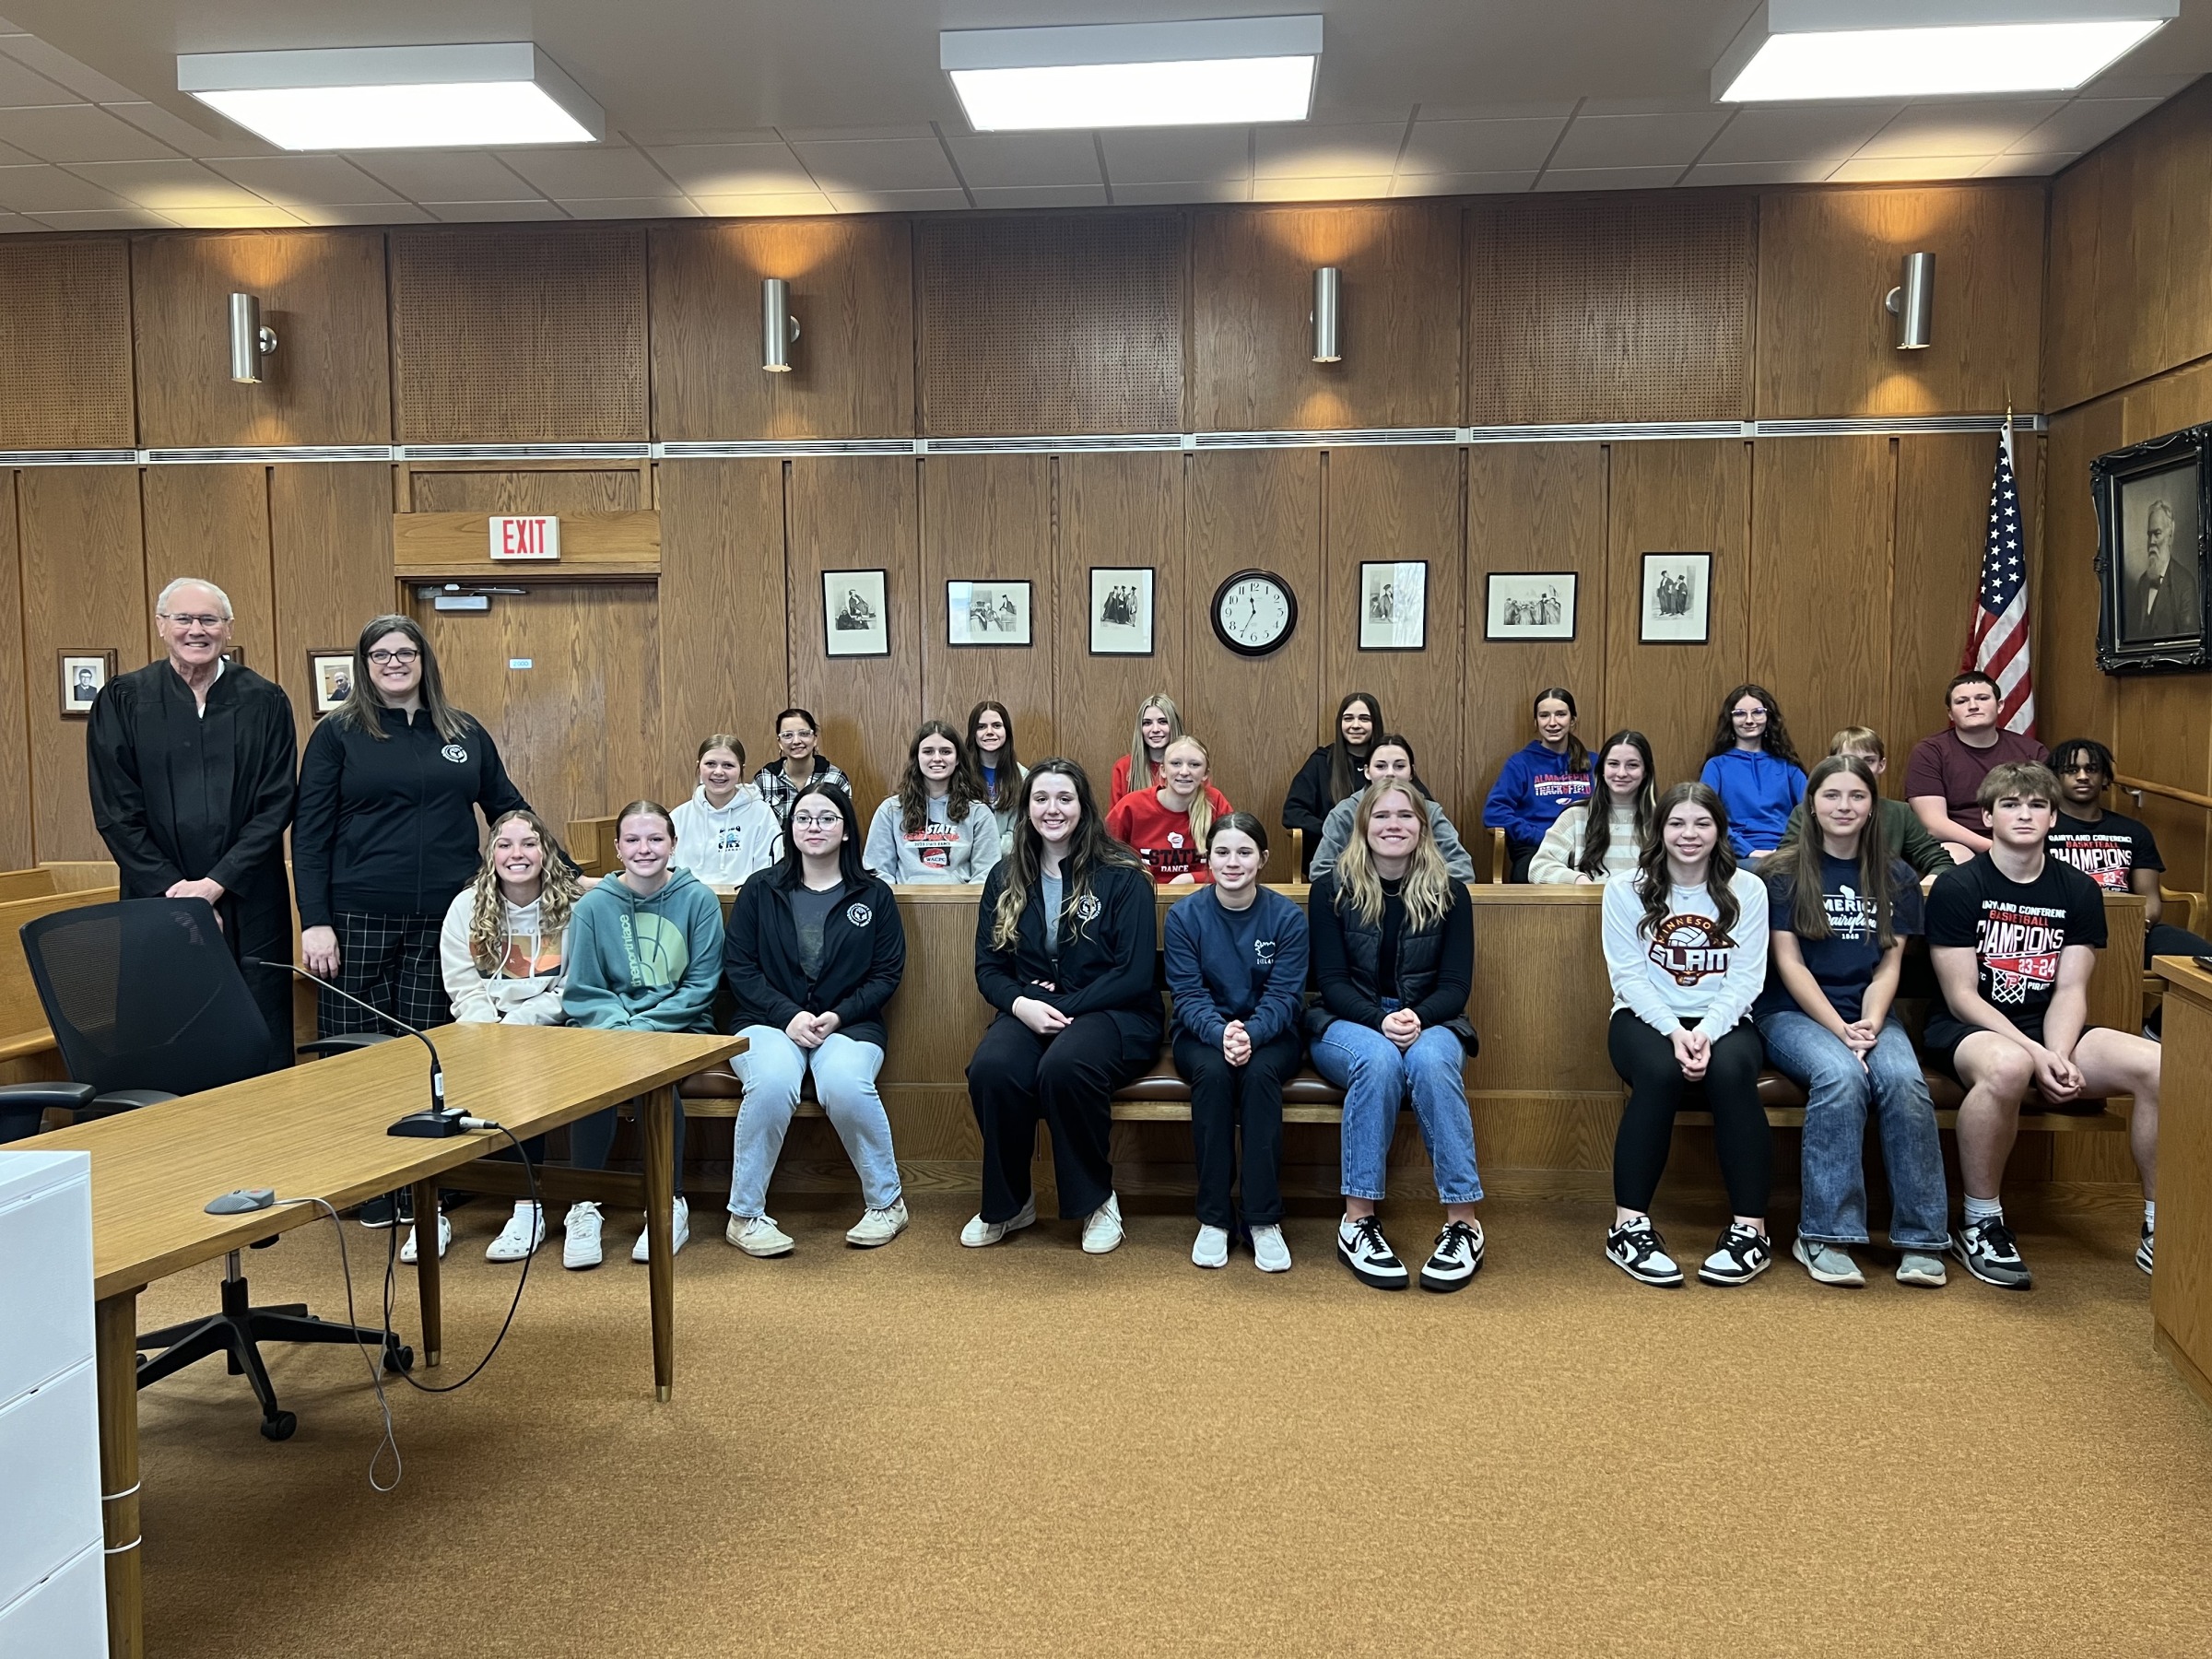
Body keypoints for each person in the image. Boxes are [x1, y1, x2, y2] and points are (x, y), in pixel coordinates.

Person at [294, 615, 543, 1228]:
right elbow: (310, 835)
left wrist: (560, 868)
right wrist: (315, 920)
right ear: (365, 664)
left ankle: (425, 1182)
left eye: (405, 652)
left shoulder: (461, 731)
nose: (394, 663)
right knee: (359, 1055)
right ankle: (365, 1183)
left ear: (423, 660)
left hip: (446, 917)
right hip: (357, 916)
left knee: (427, 1051)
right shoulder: (338, 735)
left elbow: (508, 809)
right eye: (381, 654)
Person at [1925, 762, 2161, 1288]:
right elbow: (1962, 997)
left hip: (2054, 1027)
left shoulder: (2077, 889)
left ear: (2054, 817)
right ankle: (1981, 1222)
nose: (2025, 814)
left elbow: (2071, 989)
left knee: (2162, 1065)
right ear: (1987, 816)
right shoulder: (1959, 886)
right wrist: (2035, 1055)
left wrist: (2056, 1053)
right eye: (2010, 804)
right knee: (2008, 1066)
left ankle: (2159, 1224)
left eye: (2036, 805)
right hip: (1971, 1029)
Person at [86, 577, 297, 1074]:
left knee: (256, 1028)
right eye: (184, 618)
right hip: (156, 897)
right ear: (161, 626)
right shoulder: (123, 699)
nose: (196, 630)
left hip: (248, 896)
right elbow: (116, 810)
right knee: (160, 1024)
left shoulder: (264, 701)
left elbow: (276, 802)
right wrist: (177, 890)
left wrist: (216, 884)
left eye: (209, 620)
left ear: (227, 629)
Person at [1754, 758, 1949, 1288]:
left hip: (1868, 1013)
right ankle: (1823, 1233)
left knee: (1905, 1081)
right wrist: (1841, 1034)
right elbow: (1789, 965)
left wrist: (1868, 1023)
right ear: (1812, 805)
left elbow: (1890, 963)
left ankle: (1922, 1236)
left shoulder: (1897, 876)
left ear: (1872, 806)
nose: (1844, 806)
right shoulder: (1780, 872)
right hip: (1792, 1014)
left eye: (1857, 796)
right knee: (1841, 1077)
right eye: (1832, 796)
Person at [964, 760, 1160, 1254]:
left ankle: (1097, 1200)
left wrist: (1060, 1001)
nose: (1053, 809)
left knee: (1066, 1067)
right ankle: (1011, 1203)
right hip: (1033, 1009)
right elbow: (989, 968)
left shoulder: (1123, 873)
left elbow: (1134, 974)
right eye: (1041, 799)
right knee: (992, 1067)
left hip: (1118, 1013)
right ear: (1026, 809)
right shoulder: (1005, 875)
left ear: (1083, 806)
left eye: (1064, 799)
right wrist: (1023, 1005)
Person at [1308, 781, 1484, 1294]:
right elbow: (1332, 983)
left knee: (1431, 1064)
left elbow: (1456, 985)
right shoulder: (1331, 889)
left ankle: (1463, 1225)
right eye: (1381, 815)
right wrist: (1379, 1021)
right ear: (1363, 825)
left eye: (1405, 816)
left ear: (1422, 827)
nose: (1393, 825)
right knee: (1380, 1061)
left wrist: (1415, 1017)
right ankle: (1358, 1222)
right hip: (1347, 1021)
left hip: (1432, 1019)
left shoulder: (1451, 892)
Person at [723, 782, 910, 1257]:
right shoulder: (761, 890)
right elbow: (740, 968)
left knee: (845, 1084)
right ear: (791, 827)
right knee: (770, 1081)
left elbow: (887, 974)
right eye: (804, 818)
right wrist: (788, 1017)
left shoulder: (874, 894)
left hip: (849, 1022)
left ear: (846, 830)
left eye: (827, 818)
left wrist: (837, 1015)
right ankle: (744, 1216)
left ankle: (887, 1204)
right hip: (766, 1020)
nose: (814, 827)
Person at [1602, 782, 1772, 1289]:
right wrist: (1677, 1032)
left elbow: (1747, 979)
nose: (1689, 834)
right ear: (1659, 830)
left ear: (1719, 829)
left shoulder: (1748, 889)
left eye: (1702, 823)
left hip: (1724, 1018)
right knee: (1658, 1074)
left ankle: (1751, 1231)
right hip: (1644, 1017)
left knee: (1732, 1071)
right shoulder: (1625, 888)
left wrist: (1708, 1031)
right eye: (1677, 823)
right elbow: (1628, 978)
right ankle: (1627, 1226)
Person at [558, 801, 724, 1270]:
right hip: (608, 1029)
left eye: (655, 839)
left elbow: (701, 986)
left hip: (678, 1025)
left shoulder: (698, 901)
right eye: (632, 840)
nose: (644, 849)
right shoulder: (592, 906)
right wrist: (619, 1029)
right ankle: (583, 1203)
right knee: (595, 1082)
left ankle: (667, 1202)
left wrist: (646, 1027)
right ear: (617, 848)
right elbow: (585, 989)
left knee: (656, 1078)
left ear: (673, 844)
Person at [433, 808, 583, 1265]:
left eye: (529, 844)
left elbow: (571, 987)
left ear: (547, 852)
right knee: (431, 1078)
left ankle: (526, 1206)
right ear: (491, 854)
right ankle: (431, 1208)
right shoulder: (466, 906)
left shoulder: (574, 906)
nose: (517, 854)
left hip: (547, 1026)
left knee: (524, 1070)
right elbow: (461, 983)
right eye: (505, 845)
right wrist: (487, 1027)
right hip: (481, 1025)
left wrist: (517, 1026)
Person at [1163, 814, 1310, 1273]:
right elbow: (1187, 994)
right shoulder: (1185, 915)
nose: (1232, 862)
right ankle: (1214, 1218)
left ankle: (1262, 1218)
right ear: (1207, 857)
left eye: (1244, 852)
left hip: (1271, 1034)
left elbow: (1286, 995)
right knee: (1212, 1074)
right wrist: (1221, 1032)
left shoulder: (1286, 916)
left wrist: (1251, 1033)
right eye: (1222, 852)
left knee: (1261, 1075)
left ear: (1263, 859)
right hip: (1202, 1033)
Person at [2045, 738, 2212, 998]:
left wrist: (2135, 926)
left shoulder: (2132, 831)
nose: (2082, 776)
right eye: (2070, 770)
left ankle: (2157, 1030)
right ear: (2055, 778)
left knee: (2203, 962)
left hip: (2129, 928)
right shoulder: (2041, 829)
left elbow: (2151, 900)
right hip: (2062, 931)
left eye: (2091, 769)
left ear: (2104, 778)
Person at [1905, 671, 2047, 863]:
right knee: (1953, 857)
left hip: (2022, 839)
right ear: (1950, 713)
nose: (1973, 706)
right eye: (1962, 701)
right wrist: (1994, 849)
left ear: (1999, 705)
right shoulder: (1930, 752)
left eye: (1982, 698)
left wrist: (2014, 846)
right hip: (1958, 843)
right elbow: (1934, 824)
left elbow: (2044, 810)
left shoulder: (2032, 751)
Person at [1774, 727, 1951, 879]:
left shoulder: (1900, 813)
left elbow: (1940, 861)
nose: (1859, 768)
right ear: (1831, 763)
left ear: (1881, 765)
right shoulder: (1808, 811)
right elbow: (1783, 863)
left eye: (1869, 761)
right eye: (1848, 759)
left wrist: (1920, 890)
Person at [1307, 735, 1476, 881]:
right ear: (1367, 772)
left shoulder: (1429, 811)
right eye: (1380, 766)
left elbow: (1462, 869)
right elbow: (1321, 871)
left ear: (1411, 773)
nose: (1390, 773)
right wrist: (1366, 887)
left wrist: (1416, 887)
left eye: (1399, 766)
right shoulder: (1344, 813)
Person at [865, 721, 1001, 883]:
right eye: (928, 751)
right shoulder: (891, 810)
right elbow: (877, 872)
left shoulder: (979, 813)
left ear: (957, 759)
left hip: (962, 904)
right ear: (917, 757)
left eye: (945, 751)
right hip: (902, 904)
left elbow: (986, 875)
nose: (937, 758)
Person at [1483, 688, 1593, 882]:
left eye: (1560, 714)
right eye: (1544, 716)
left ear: (1572, 720)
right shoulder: (1520, 764)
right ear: (1536, 722)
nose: (1552, 722)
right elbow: (1494, 813)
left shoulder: (1594, 762)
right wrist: (1540, 836)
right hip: (1536, 848)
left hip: (1585, 849)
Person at [1529, 729, 1654, 885]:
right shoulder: (1576, 816)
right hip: (1590, 906)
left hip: (1646, 908)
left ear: (1646, 772)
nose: (1621, 773)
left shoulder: (1662, 819)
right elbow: (1539, 868)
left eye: (1632, 765)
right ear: (1602, 769)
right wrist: (1578, 880)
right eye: (1613, 764)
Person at [1699, 682, 1806, 861]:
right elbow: (1705, 815)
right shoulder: (1716, 766)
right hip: (1737, 856)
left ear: (1768, 717)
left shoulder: (1788, 766)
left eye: (1757, 712)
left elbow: (1814, 811)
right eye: (1740, 714)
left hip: (1788, 855)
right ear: (1730, 720)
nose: (1749, 720)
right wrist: (1747, 851)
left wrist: (1787, 850)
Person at [1105, 734, 1230, 885]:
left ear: (1205, 774)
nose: (1184, 771)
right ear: (1163, 770)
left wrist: (1191, 878)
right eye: (1176, 763)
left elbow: (1236, 863)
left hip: (1200, 899)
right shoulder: (1131, 805)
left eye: (1194, 765)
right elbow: (1103, 856)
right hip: (1143, 897)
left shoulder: (1215, 802)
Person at [1282, 692, 1382, 874]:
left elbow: (1423, 808)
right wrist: (1334, 832)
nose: (1355, 725)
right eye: (1348, 718)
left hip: (1386, 860)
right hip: (1334, 860)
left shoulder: (1391, 763)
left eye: (1364, 719)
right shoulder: (1321, 762)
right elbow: (1293, 813)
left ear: (1375, 723)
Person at [670, 735, 780, 888]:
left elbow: (769, 873)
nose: (719, 772)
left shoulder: (761, 814)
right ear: (698, 767)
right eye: (710, 764)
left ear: (741, 769)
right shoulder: (678, 817)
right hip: (688, 905)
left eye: (728, 765)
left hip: (744, 905)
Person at [754, 708, 852, 823]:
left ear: (815, 739)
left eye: (804, 734)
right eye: (787, 735)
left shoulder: (836, 778)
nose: (796, 741)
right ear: (779, 742)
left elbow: (846, 826)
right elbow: (754, 828)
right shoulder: (764, 779)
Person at [2128, 498, 2201, 641]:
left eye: (2157, 533)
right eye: (2149, 535)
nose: (2151, 542)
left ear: (2170, 535)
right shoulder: (2142, 582)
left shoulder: (2185, 583)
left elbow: (2189, 643)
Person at [968, 700, 1028, 843]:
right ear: (973, 733)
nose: (989, 732)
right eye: (981, 727)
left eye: (996, 726)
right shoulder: (960, 775)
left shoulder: (1023, 777)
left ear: (1006, 731)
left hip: (1006, 859)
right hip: (966, 860)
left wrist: (990, 853)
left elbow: (1020, 831)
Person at [1109, 692, 1182, 805]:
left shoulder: (1190, 766)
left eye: (1163, 721)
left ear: (1174, 725)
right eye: (1147, 723)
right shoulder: (1123, 768)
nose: (1155, 729)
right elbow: (1116, 821)